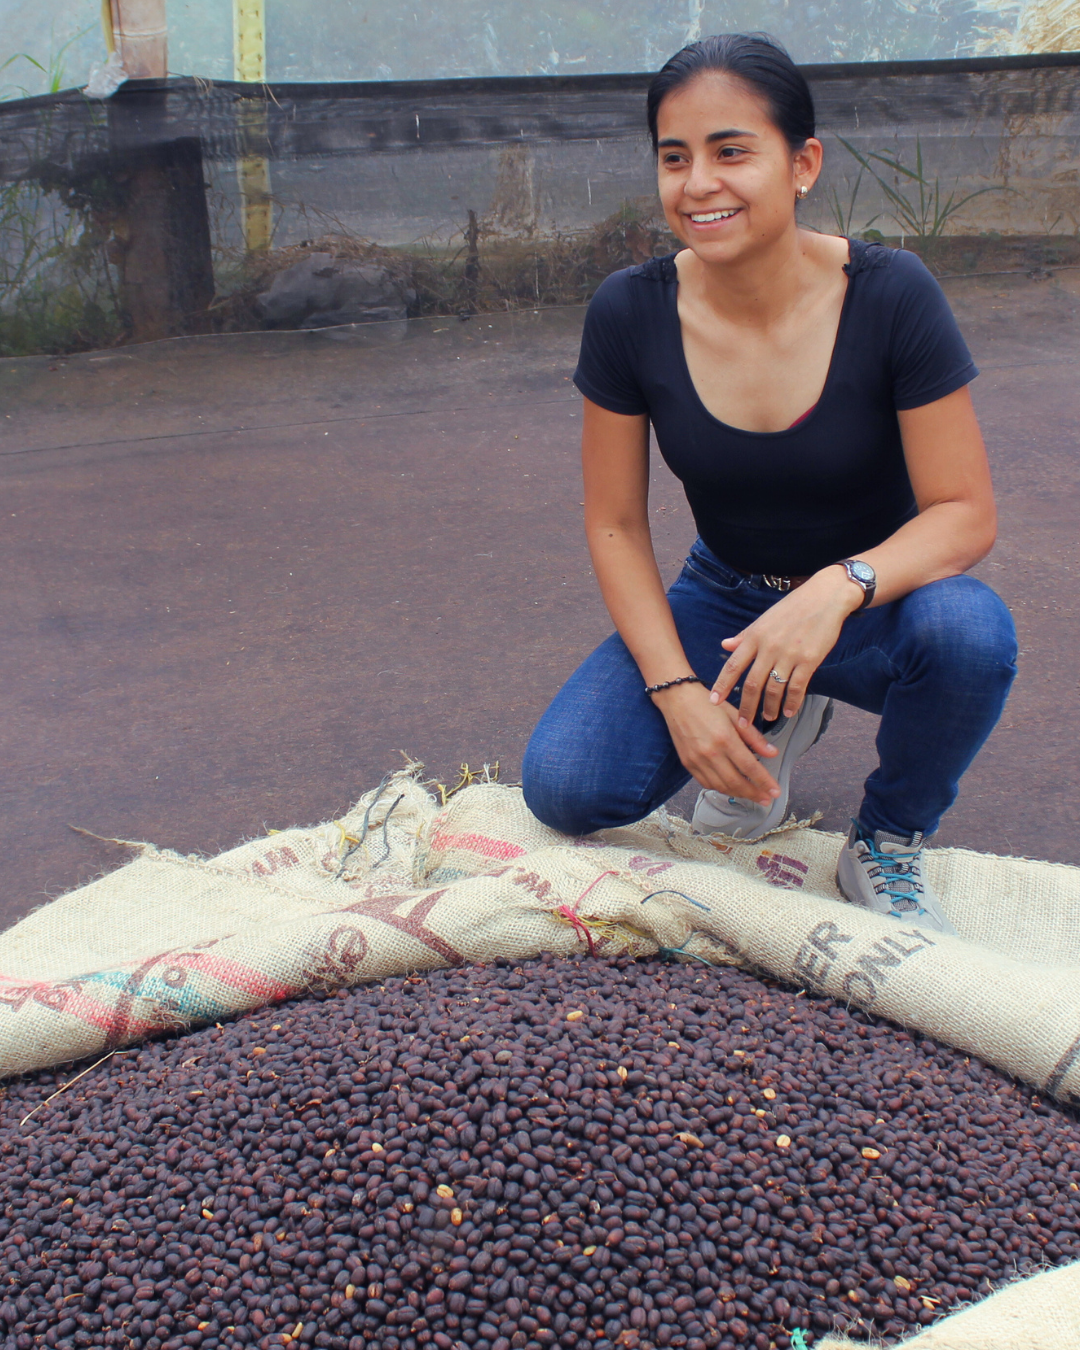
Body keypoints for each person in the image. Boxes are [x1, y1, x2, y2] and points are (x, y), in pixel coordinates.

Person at [521, 33, 1017, 935]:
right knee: (567, 787)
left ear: (802, 163)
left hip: (869, 600)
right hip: (725, 594)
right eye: (675, 158)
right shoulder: (629, 311)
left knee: (971, 635)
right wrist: (678, 693)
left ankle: (887, 839)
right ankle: (765, 705)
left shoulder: (891, 293)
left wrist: (839, 588)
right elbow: (616, 526)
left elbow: (964, 513)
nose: (698, 183)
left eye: (731, 151)